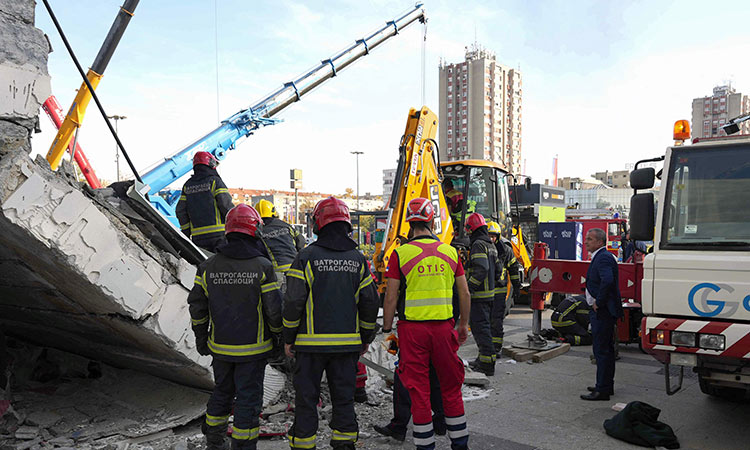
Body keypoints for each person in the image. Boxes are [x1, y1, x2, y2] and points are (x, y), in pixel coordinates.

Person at [283, 197, 379, 450]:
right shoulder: (358, 260)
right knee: (344, 401)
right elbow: (370, 302)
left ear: (318, 224)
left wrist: (288, 338)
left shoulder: (305, 257)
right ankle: (344, 445)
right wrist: (366, 337)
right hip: (347, 347)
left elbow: (293, 301)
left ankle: (304, 446)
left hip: (309, 347)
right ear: (346, 224)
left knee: (306, 402)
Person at [187, 204, 283, 450]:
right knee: (248, 401)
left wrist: (201, 339)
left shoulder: (207, 267)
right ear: (255, 232)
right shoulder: (262, 266)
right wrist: (279, 340)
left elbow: (197, 307)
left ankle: (214, 441)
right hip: (253, 351)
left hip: (220, 349)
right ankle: (243, 446)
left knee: (221, 393)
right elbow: (273, 310)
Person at [382, 197, 471, 450]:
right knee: (451, 387)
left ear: (409, 223)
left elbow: (391, 297)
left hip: (411, 332)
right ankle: (460, 443)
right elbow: (464, 294)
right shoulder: (450, 252)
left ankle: (425, 446)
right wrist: (463, 325)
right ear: (431, 220)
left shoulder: (400, 254)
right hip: (444, 329)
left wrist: (387, 331)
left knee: (418, 390)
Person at [580, 228, 623, 401]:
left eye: (589, 239)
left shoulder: (603, 257)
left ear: (599, 242)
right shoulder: (600, 256)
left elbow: (608, 280)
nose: (586, 242)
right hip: (603, 310)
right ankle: (605, 385)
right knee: (605, 349)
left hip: (603, 311)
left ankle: (602, 390)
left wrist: (599, 302)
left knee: (602, 350)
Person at [465, 213, 501, 376]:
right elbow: (498, 270)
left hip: (479, 296)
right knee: (484, 328)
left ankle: (487, 364)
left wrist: (469, 287)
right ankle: (483, 359)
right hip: (490, 295)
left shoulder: (478, 245)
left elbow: (482, 268)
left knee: (481, 330)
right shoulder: (490, 245)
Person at [176, 151, 235, 253]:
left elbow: (180, 211)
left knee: (205, 264)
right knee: (221, 265)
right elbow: (226, 206)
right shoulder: (215, 181)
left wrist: (186, 231)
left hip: (198, 238)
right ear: (211, 163)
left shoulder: (187, 185)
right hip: (219, 236)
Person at [254, 199, 305, 293]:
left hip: (275, 274)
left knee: (277, 303)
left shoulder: (258, 231)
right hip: (295, 270)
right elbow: (301, 242)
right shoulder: (286, 225)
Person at [487, 221, 522, 355]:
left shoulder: (505, 250)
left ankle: (496, 348)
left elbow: (513, 269)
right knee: (485, 321)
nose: (491, 239)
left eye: (493, 236)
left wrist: (516, 286)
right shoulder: (482, 248)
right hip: (486, 292)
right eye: (489, 235)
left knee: (496, 321)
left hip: (499, 291)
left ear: (498, 236)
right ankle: (487, 346)